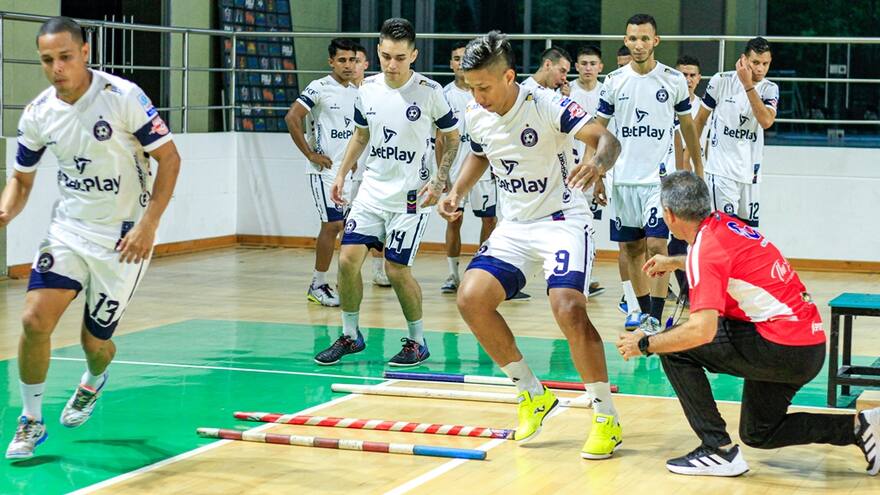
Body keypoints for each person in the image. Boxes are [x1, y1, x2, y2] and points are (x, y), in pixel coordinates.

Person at [617, 171, 880, 477]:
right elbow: (721, 260)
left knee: (675, 347)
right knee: (759, 432)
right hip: (805, 345)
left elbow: (703, 330)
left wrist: (645, 344)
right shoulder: (724, 225)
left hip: (781, 345)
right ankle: (861, 427)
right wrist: (673, 262)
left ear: (669, 215)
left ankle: (718, 450)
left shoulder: (706, 249)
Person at [438, 31, 624, 459]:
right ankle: (532, 395)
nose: (478, 96)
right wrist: (458, 191)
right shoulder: (474, 111)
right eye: (471, 88)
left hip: (562, 220)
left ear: (509, 76)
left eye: (484, 87)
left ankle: (605, 417)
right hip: (515, 225)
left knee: (568, 307)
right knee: (471, 299)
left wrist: (597, 163)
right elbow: (481, 153)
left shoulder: (546, 103)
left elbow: (608, 140)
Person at [2, 17, 181, 459]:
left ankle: (93, 379)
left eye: (65, 57)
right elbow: (21, 180)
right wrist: (5, 210)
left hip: (124, 240)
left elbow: (170, 160)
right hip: (69, 231)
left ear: (85, 52)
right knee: (32, 321)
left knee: (95, 344)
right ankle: (30, 420)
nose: (57, 67)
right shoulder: (39, 112)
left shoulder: (123, 98)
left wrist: (148, 224)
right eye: (47, 60)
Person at [312, 18, 460, 367]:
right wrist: (342, 173)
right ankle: (350, 335)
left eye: (399, 57)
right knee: (347, 260)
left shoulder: (430, 91)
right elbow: (361, 135)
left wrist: (440, 180)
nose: (392, 65)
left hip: (411, 198)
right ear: (377, 53)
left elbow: (451, 138)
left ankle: (417, 341)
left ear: (414, 55)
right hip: (372, 192)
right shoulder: (368, 89)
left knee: (396, 271)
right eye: (385, 56)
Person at [596, 14, 702, 331]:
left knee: (657, 246)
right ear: (626, 41)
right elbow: (596, 131)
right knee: (631, 249)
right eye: (633, 39)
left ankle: (655, 316)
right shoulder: (614, 81)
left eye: (645, 38)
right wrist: (596, 172)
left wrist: (699, 169)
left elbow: (688, 129)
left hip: (660, 181)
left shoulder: (673, 80)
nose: (638, 44)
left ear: (656, 41)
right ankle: (643, 312)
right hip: (623, 180)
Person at [285, 38, 359, 306]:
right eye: (342, 60)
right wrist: (310, 154)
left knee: (348, 228)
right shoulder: (319, 87)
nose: (348, 65)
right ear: (331, 62)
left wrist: (353, 160)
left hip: (345, 172)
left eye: (352, 59)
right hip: (322, 171)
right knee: (332, 225)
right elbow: (292, 117)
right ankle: (317, 284)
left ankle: (342, 281)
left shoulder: (356, 91)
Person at [694, 37, 778, 227]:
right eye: (755, 62)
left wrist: (748, 85)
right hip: (721, 173)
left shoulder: (770, 89)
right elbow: (699, 121)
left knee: (748, 237)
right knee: (723, 234)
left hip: (751, 176)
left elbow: (766, 121)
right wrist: (690, 157)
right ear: (744, 59)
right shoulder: (721, 80)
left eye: (765, 64)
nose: (760, 69)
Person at [439, 42, 498, 294]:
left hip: (484, 172)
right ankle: (453, 275)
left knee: (489, 219)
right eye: (455, 58)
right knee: (454, 220)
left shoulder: (486, 93)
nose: (460, 63)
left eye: (464, 58)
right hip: (455, 171)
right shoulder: (444, 94)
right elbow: (440, 139)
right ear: (451, 63)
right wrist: (442, 175)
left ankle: (481, 272)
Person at [349, 42, 391, 287]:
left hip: (378, 172)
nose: (352, 66)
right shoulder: (341, 91)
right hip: (354, 172)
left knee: (382, 226)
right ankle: (349, 273)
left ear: (366, 64)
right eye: (348, 60)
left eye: (357, 61)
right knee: (348, 226)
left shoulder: (377, 91)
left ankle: (379, 269)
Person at [570, 45, 607, 298]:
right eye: (583, 63)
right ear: (576, 66)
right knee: (572, 223)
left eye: (592, 63)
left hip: (595, 170)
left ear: (600, 67)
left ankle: (587, 273)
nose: (588, 68)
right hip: (569, 170)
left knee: (589, 224)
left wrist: (601, 172)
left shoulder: (607, 93)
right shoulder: (566, 92)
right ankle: (572, 274)